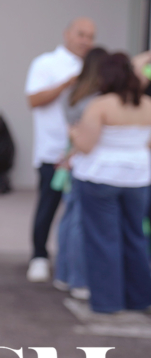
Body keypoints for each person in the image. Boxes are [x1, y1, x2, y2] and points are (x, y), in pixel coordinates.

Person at [69, 52, 151, 315]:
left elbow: (86, 145)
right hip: (138, 178)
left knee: (103, 240)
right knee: (135, 237)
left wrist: (73, 132)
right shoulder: (147, 105)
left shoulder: (100, 105)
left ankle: (108, 301)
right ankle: (139, 299)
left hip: (101, 177)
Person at [24, 18, 96, 282]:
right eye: (81, 34)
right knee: (48, 205)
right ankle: (39, 257)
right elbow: (34, 99)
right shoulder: (46, 63)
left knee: (79, 215)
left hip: (84, 153)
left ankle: (73, 265)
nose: (86, 41)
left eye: (91, 36)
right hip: (53, 151)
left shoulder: (94, 67)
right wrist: (68, 83)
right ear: (67, 34)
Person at [53, 46, 108, 300]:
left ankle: (64, 274)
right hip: (86, 161)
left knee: (69, 218)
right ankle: (79, 280)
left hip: (71, 159)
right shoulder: (98, 100)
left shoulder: (73, 94)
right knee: (80, 222)